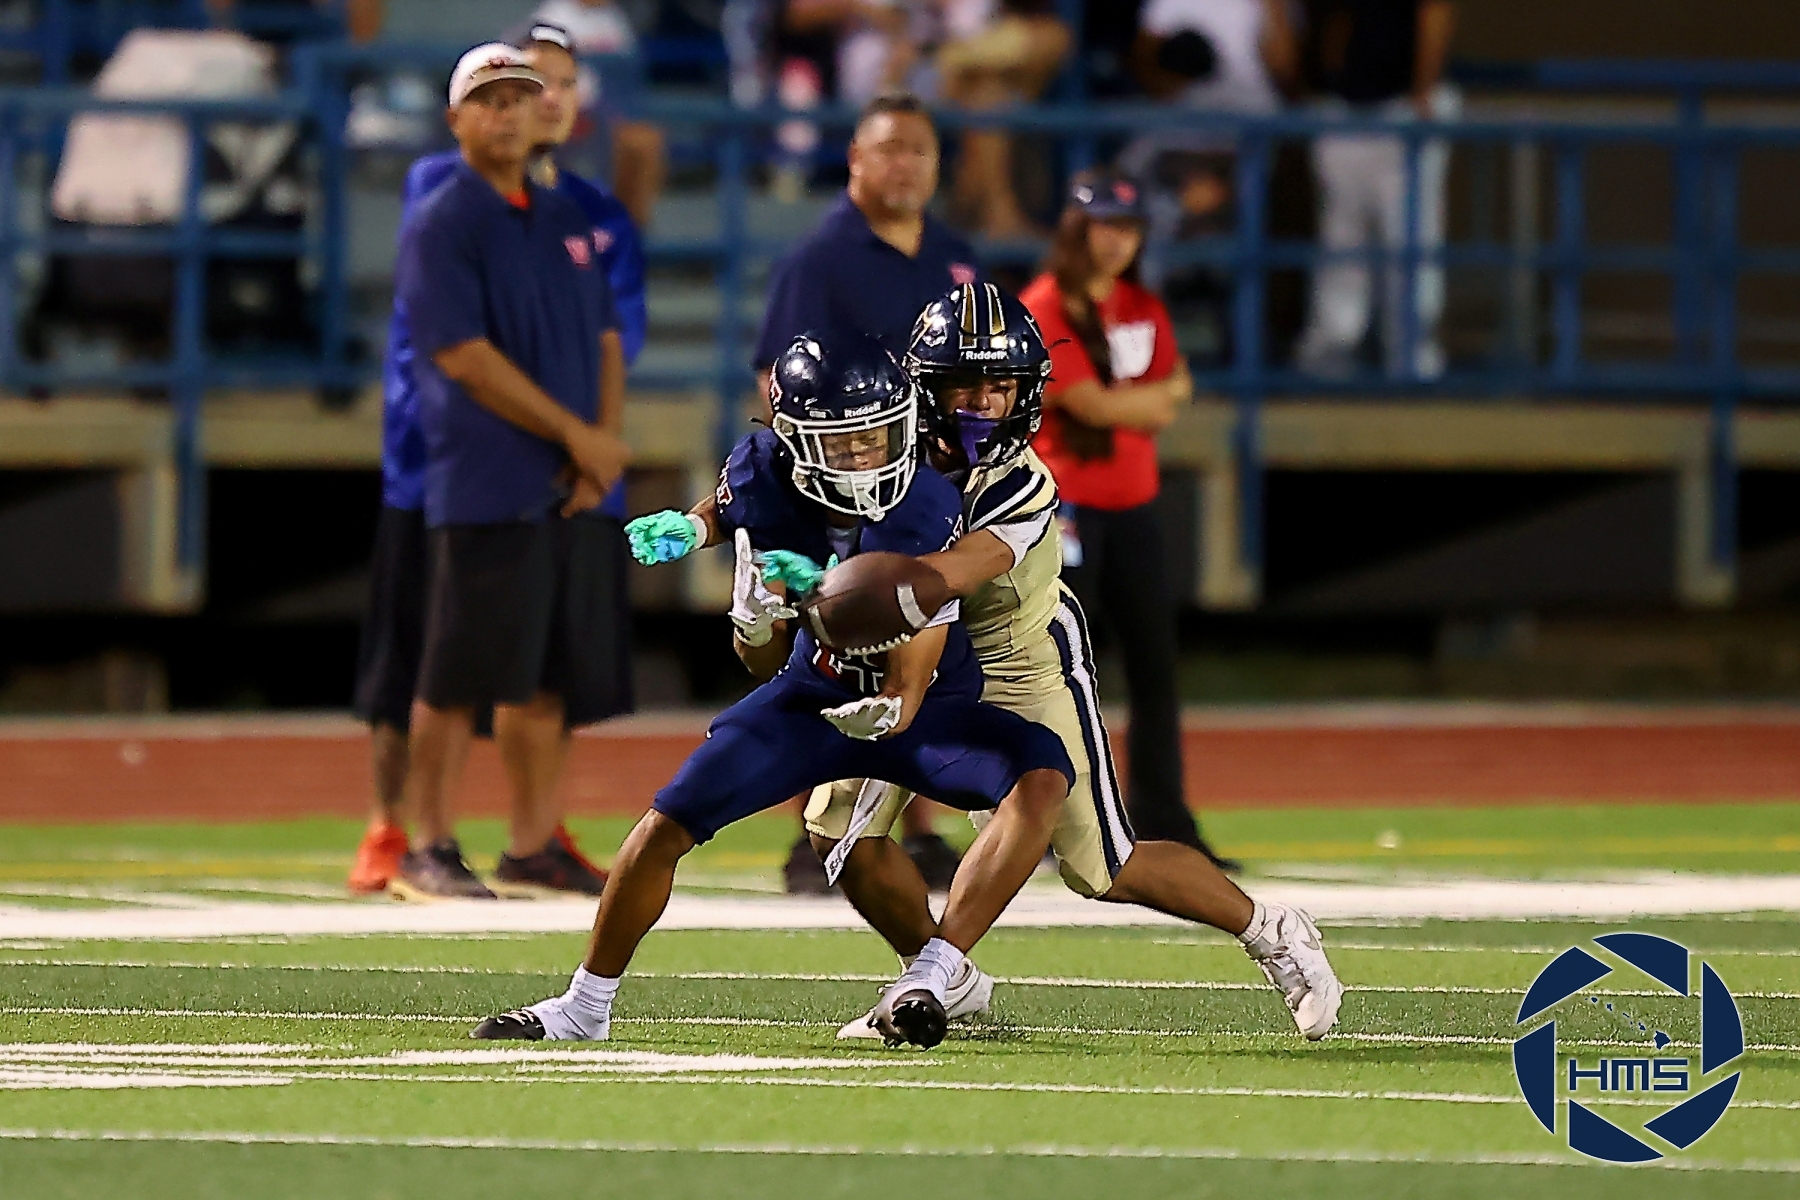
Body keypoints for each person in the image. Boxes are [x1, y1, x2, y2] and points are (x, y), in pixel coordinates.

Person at [466, 329, 1076, 1043]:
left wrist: (897, 701)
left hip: (925, 706)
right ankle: (583, 1006)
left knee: (1042, 774)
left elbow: (920, 640)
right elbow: (738, 548)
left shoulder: (927, 501)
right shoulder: (764, 470)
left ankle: (937, 972)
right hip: (812, 695)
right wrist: (710, 555)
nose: (865, 456)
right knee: (664, 826)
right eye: (843, 442)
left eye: (876, 437)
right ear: (794, 440)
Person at [806, 283, 1343, 1045]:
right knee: (836, 832)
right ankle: (937, 975)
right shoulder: (886, 452)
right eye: (966, 383)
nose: (984, 403)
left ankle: (1273, 930)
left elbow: (938, 581)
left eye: (1001, 385)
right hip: (919, 660)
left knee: (1103, 865)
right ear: (927, 385)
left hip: (1020, 662)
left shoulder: (1023, 482)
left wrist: (838, 600)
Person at [348, 26, 648, 898]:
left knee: (548, 673)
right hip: (487, 473)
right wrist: (580, 437)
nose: (510, 114)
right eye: (490, 101)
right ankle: (428, 843)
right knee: (453, 671)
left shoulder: (567, 217)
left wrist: (602, 445)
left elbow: (606, 337)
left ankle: (531, 842)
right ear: (456, 119)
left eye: (521, 98)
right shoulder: (442, 217)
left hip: (569, 479)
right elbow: (463, 356)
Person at [753, 90, 982, 893]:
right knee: (828, 651)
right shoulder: (820, 259)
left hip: (928, 487)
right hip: (840, 489)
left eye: (918, 150)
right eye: (888, 149)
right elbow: (777, 379)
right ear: (855, 159)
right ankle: (808, 832)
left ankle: (914, 827)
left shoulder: (955, 257)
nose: (904, 165)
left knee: (926, 649)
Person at [1021, 171, 1237, 871]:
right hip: (1066, 510)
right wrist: (1145, 400)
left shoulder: (1143, 305)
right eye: (1105, 227)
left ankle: (1164, 816)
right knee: (1057, 670)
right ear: (1076, 231)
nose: (1118, 241)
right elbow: (1095, 404)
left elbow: (1173, 389)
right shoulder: (1044, 305)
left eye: (1129, 228)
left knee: (1154, 668)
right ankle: (1047, 820)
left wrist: (1138, 401)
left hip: (1135, 503)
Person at [1293, 0, 1457, 379]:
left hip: (1402, 107)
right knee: (1342, 241)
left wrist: (1423, 91)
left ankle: (1414, 361)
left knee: (1410, 241)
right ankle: (1331, 357)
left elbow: (1436, 11)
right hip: (1343, 105)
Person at [527, 0, 666, 227]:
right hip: (570, 117)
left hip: (608, 116)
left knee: (645, 142)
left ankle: (628, 232)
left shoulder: (613, 18)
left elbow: (627, 81)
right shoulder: (551, 19)